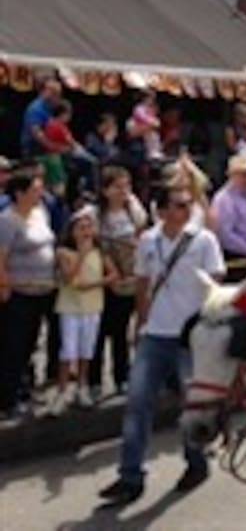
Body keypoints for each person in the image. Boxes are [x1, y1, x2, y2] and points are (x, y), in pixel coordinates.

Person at [98, 184, 226, 507]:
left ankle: (196, 462)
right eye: (179, 205)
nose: (186, 210)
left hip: (190, 336)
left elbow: (217, 282)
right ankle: (131, 476)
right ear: (162, 211)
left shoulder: (203, 240)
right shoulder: (148, 240)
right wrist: (141, 321)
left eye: (187, 205)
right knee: (137, 404)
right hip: (155, 335)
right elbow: (142, 281)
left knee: (192, 405)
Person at [0, 163, 58, 419]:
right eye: (35, 189)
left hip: (44, 289)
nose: (40, 192)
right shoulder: (8, 221)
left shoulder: (40, 212)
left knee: (33, 343)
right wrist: (4, 288)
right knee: (14, 346)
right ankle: (8, 399)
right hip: (19, 291)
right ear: (20, 193)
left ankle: (26, 389)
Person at [49, 207, 116, 415]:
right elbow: (69, 277)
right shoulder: (63, 252)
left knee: (87, 349)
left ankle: (82, 386)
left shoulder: (100, 251)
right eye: (80, 228)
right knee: (68, 349)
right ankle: (62, 391)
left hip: (93, 306)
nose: (86, 232)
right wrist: (81, 254)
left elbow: (113, 274)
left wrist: (95, 284)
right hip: (69, 306)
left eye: (89, 228)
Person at [89, 166, 148, 399]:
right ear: (105, 190)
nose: (124, 191)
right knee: (101, 330)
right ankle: (93, 380)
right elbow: (95, 246)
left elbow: (142, 237)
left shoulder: (133, 209)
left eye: (127, 186)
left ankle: (122, 376)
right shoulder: (95, 214)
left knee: (121, 329)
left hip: (130, 274)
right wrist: (111, 272)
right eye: (118, 187)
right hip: (107, 276)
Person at [211, 154, 246, 281]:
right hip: (237, 256)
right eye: (244, 175)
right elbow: (225, 235)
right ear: (232, 175)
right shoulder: (224, 200)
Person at [20, 77, 62, 158]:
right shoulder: (36, 108)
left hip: (43, 149)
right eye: (54, 93)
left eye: (58, 94)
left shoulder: (49, 108)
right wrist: (53, 147)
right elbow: (37, 133)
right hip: (34, 149)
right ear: (44, 91)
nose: (57, 97)